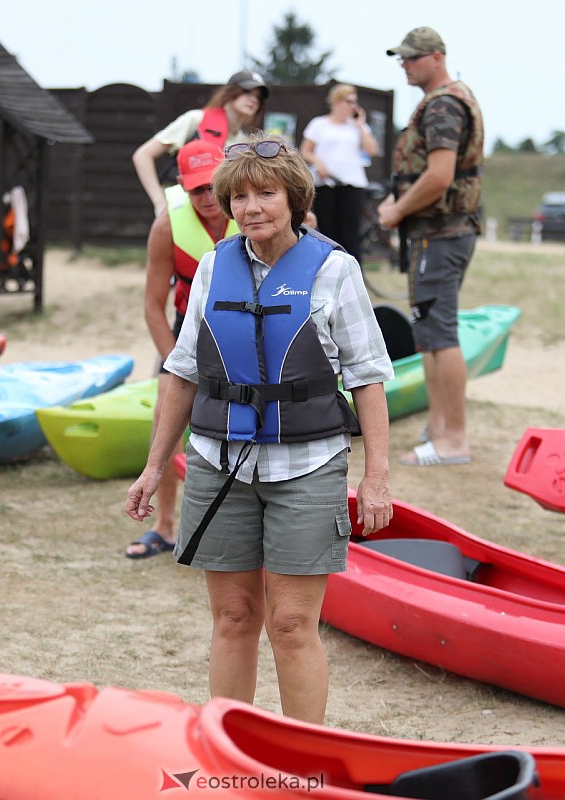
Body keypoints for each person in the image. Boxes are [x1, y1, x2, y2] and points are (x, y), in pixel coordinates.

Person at [125, 135, 394, 723]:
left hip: (307, 465)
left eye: (266, 193)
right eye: (239, 196)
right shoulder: (214, 267)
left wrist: (376, 477)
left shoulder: (335, 269)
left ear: (293, 198)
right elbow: (183, 370)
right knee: (233, 617)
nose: (251, 208)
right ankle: (230, 753)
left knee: (293, 624)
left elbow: (369, 378)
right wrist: (152, 466)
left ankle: (303, 764)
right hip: (218, 461)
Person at [124, 140, 239, 559]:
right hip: (185, 331)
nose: (207, 197)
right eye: (196, 190)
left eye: (213, 186)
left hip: (244, 331)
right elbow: (154, 305)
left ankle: (236, 526)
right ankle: (166, 525)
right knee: (164, 415)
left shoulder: (252, 213)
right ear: (181, 187)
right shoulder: (166, 226)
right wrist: (177, 366)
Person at [377, 27, 484, 467]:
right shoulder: (444, 100)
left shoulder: (442, 104)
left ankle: (452, 440)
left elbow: (439, 175)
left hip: (441, 234)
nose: (404, 64)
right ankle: (438, 428)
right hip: (435, 234)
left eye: (411, 58)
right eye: (401, 58)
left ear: (436, 58)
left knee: (439, 333)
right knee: (429, 334)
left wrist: (398, 210)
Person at [132, 70, 269, 217]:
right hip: (181, 211)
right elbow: (142, 155)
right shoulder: (196, 119)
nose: (254, 100)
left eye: (259, 97)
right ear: (230, 93)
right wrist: (159, 203)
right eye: (248, 92)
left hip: (219, 216)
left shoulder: (243, 141)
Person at [300, 83, 380, 262]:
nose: (353, 105)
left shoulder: (357, 127)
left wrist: (360, 124)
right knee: (327, 232)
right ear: (336, 102)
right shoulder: (319, 124)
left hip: (351, 184)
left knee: (350, 234)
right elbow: (306, 150)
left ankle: (354, 275)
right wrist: (319, 162)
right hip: (326, 184)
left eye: (355, 101)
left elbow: (372, 150)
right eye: (348, 101)